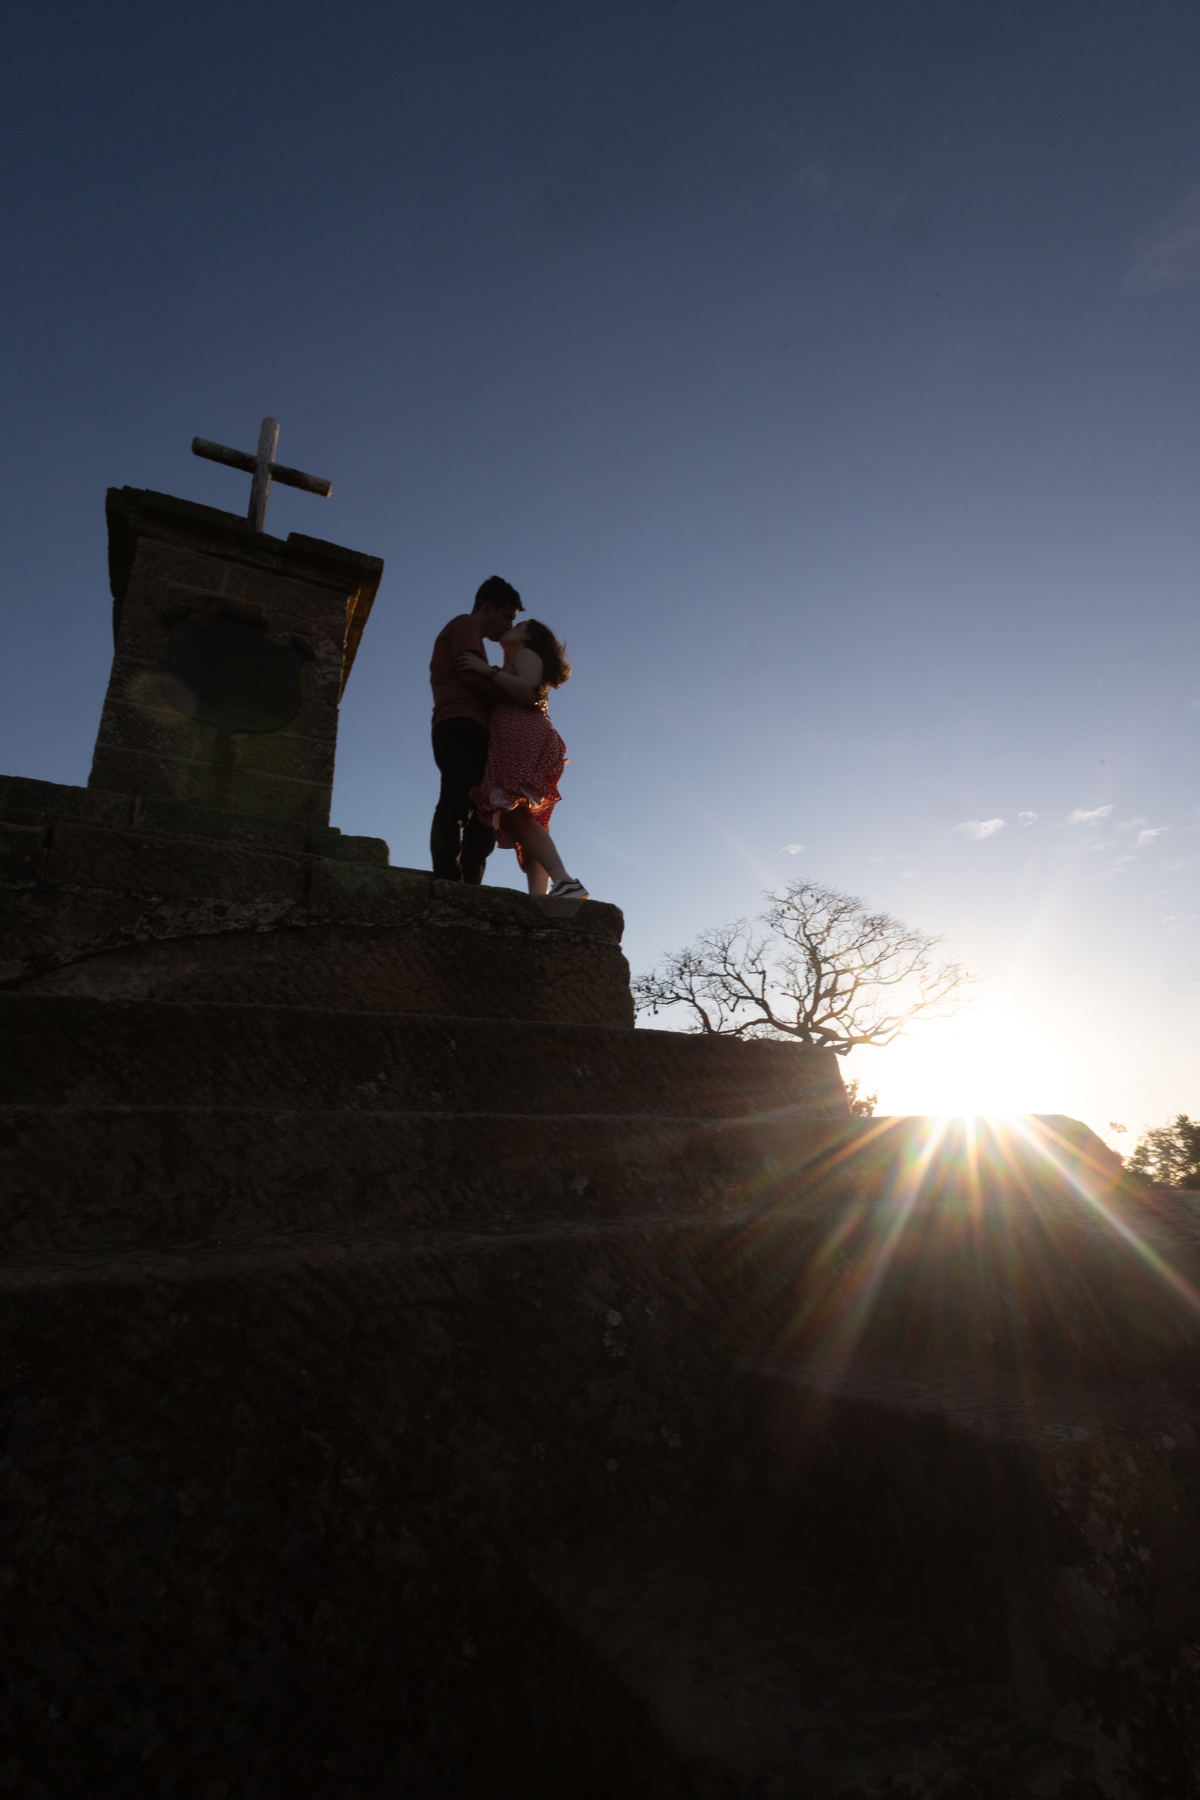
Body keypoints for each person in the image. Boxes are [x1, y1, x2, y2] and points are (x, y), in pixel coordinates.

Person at [457, 619, 589, 900]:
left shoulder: (526, 655)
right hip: (518, 734)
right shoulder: (517, 660)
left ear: (528, 635)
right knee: (522, 820)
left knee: (513, 814)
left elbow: (529, 692)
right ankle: (539, 898)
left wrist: (487, 671)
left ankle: (564, 881)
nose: (510, 626)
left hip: (520, 732)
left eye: (518, 625)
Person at [429, 576, 522, 883]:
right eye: (507, 616)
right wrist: (515, 693)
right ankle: (449, 878)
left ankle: (470, 882)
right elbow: (471, 676)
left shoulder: (474, 638)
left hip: (468, 726)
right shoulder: (466, 625)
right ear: (487, 607)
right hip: (461, 723)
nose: (509, 625)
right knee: (458, 799)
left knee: (482, 811)